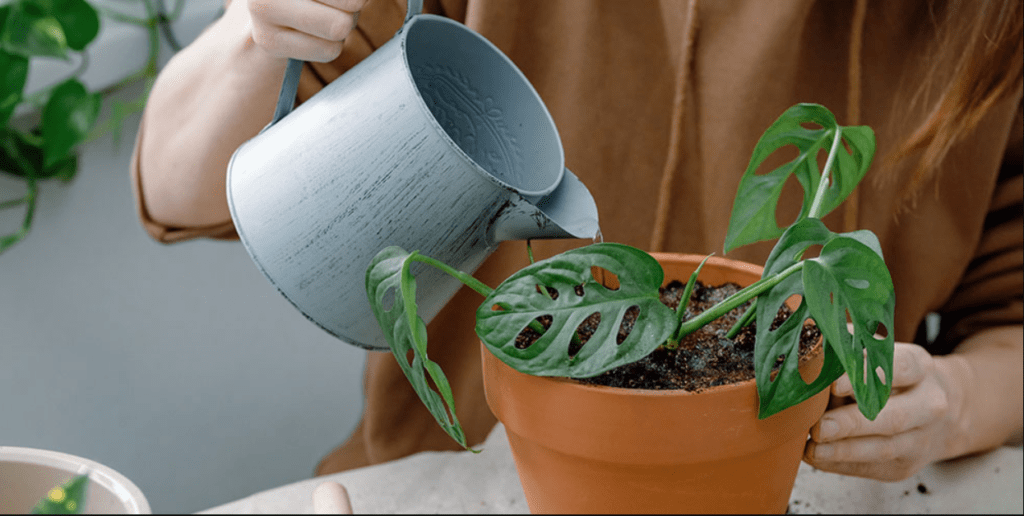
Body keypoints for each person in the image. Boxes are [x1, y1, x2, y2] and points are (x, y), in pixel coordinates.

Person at [131, 0, 1022, 483]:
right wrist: (255, 37)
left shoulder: (986, 27)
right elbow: (179, 189)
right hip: (442, 487)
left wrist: (956, 399)